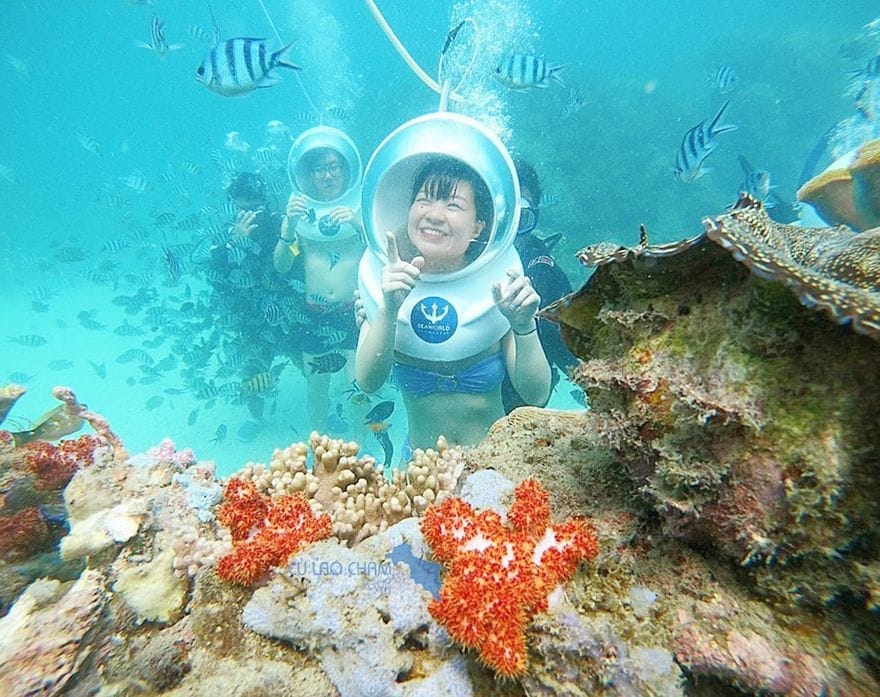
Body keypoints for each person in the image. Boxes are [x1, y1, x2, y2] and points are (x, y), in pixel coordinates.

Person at [355, 156, 551, 450]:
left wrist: (524, 327)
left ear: (478, 227)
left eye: (453, 205)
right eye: (424, 200)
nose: (434, 214)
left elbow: (536, 394)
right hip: (420, 475)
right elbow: (368, 382)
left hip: (492, 466)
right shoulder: (383, 283)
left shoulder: (498, 287)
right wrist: (388, 310)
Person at [275, 143, 365, 433]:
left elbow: (380, 250)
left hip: (352, 311)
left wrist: (355, 221)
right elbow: (282, 266)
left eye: (333, 166)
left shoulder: (361, 205)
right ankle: (320, 448)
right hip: (313, 313)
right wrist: (289, 225)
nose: (327, 175)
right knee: (317, 390)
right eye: (318, 169)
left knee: (357, 388)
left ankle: (361, 450)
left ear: (345, 169)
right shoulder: (299, 211)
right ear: (309, 175)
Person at [501, 158, 578, 413]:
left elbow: (567, 344)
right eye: (502, 216)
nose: (509, 232)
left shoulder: (540, 267)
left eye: (521, 219)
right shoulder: (456, 257)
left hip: (517, 409)